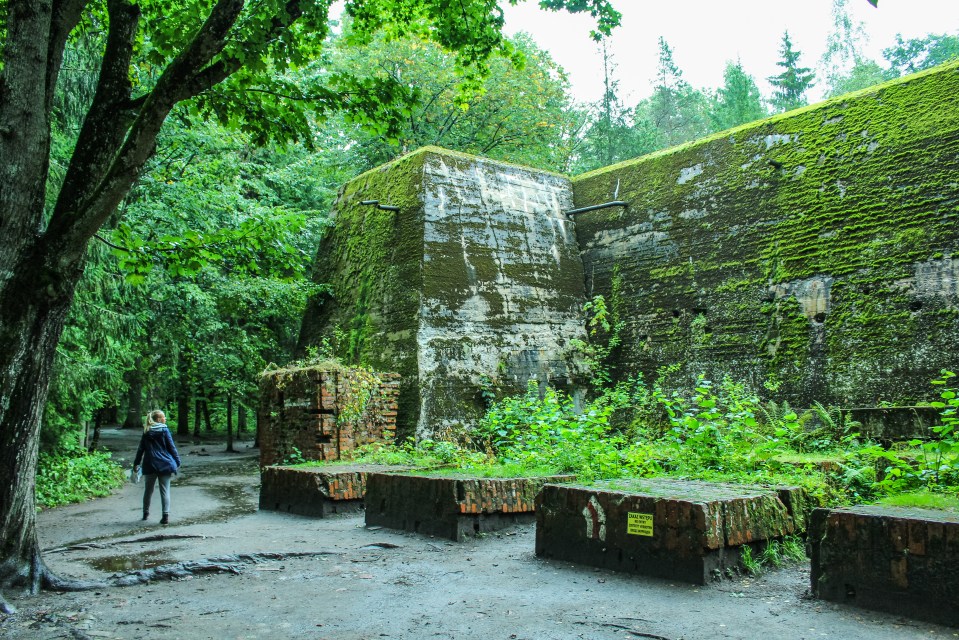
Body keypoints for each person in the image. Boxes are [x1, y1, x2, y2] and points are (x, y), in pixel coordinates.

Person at [133, 409, 181, 525]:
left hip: (149, 464)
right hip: (165, 464)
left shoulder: (146, 431)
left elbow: (141, 449)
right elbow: (171, 447)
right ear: (159, 419)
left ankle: (145, 513)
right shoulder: (164, 430)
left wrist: (136, 463)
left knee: (148, 490)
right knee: (165, 490)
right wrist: (177, 461)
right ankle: (165, 516)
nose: (165, 419)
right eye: (164, 417)